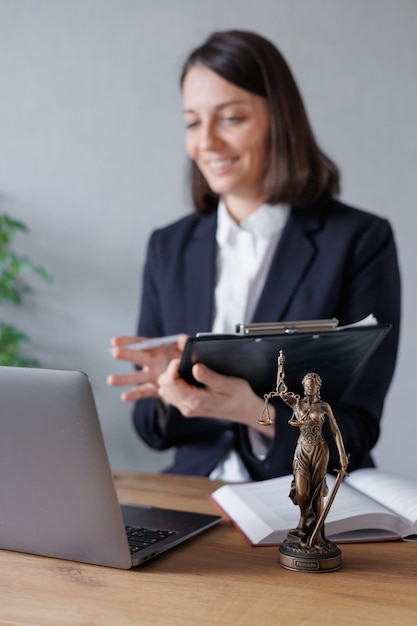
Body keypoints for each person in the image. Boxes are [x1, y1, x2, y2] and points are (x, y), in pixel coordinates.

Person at [107, 30, 401, 482]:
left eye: (230, 119)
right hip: (194, 494)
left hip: (304, 498)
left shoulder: (359, 240)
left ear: (279, 120)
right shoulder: (169, 246)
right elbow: (150, 429)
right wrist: (170, 391)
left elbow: (356, 430)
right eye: (192, 122)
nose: (206, 142)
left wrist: (255, 412)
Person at [278, 370, 349, 545]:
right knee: (302, 491)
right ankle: (305, 520)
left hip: (319, 450)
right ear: (303, 386)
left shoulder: (324, 407)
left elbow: (335, 430)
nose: (310, 387)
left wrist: (342, 454)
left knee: (317, 493)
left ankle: (317, 534)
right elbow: (280, 390)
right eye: (307, 384)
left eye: (313, 384)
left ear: (318, 386)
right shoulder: (297, 404)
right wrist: (280, 367)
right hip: (302, 449)